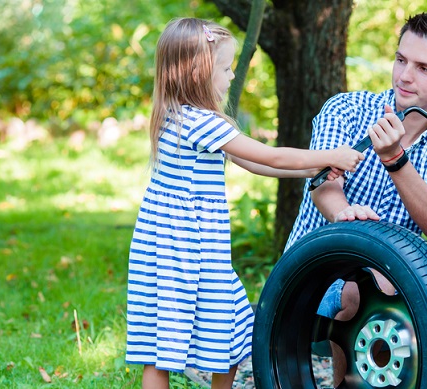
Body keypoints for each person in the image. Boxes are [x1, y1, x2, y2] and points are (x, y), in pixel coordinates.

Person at [124, 18, 363, 389]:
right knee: (166, 348)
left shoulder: (179, 116)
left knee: (231, 333)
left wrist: (316, 166)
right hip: (183, 255)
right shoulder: (200, 121)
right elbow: (270, 155)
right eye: (225, 68)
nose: (232, 75)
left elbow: (252, 162)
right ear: (197, 72)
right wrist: (332, 154)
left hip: (186, 251)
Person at [285, 11, 427, 379]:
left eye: (424, 68)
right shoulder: (345, 109)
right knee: (360, 290)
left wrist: (395, 159)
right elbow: (324, 188)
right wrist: (348, 218)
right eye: (401, 60)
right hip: (317, 279)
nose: (405, 75)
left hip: (401, 283)